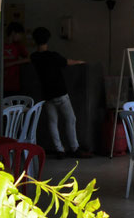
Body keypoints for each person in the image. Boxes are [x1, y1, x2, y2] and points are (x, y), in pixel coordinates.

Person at [29, 26, 89, 159]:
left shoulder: (34, 57)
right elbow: (67, 62)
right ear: (47, 39)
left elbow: (26, 61)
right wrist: (80, 62)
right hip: (60, 93)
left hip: (47, 95)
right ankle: (74, 148)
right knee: (71, 119)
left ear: (34, 40)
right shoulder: (53, 56)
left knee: (52, 122)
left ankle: (59, 150)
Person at [2, 21, 28, 96]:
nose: (21, 37)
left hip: (14, 85)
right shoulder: (1, 44)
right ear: (13, 33)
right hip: (1, 85)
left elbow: (28, 58)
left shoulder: (18, 46)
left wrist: (11, 63)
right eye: (20, 34)